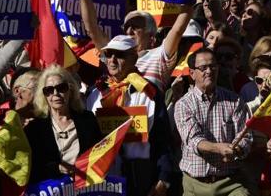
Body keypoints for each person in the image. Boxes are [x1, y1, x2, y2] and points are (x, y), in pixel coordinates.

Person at [84, 35, 173, 195]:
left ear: (133, 57)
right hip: (103, 179)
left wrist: (163, 179)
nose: (112, 60)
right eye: (108, 54)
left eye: (119, 55)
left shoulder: (149, 92)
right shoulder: (94, 93)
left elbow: (162, 139)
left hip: (140, 177)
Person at [174, 48, 253, 195]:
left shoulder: (234, 101)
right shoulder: (183, 104)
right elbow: (194, 141)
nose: (209, 71)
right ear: (192, 73)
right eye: (203, 68)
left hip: (230, 182)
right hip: (195, 183)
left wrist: (236, 149)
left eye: (213, 66)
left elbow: (245, 137)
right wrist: (220, 148)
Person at [25, 66, 102, 183]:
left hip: (85, 188)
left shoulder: (87, 120)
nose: (56, 94)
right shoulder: (35, 128)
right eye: (49, 90)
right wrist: (57, 168)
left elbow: (99, 155)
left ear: (70, 91)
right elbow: (33, 167)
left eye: (61, 88)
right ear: (44, 95)